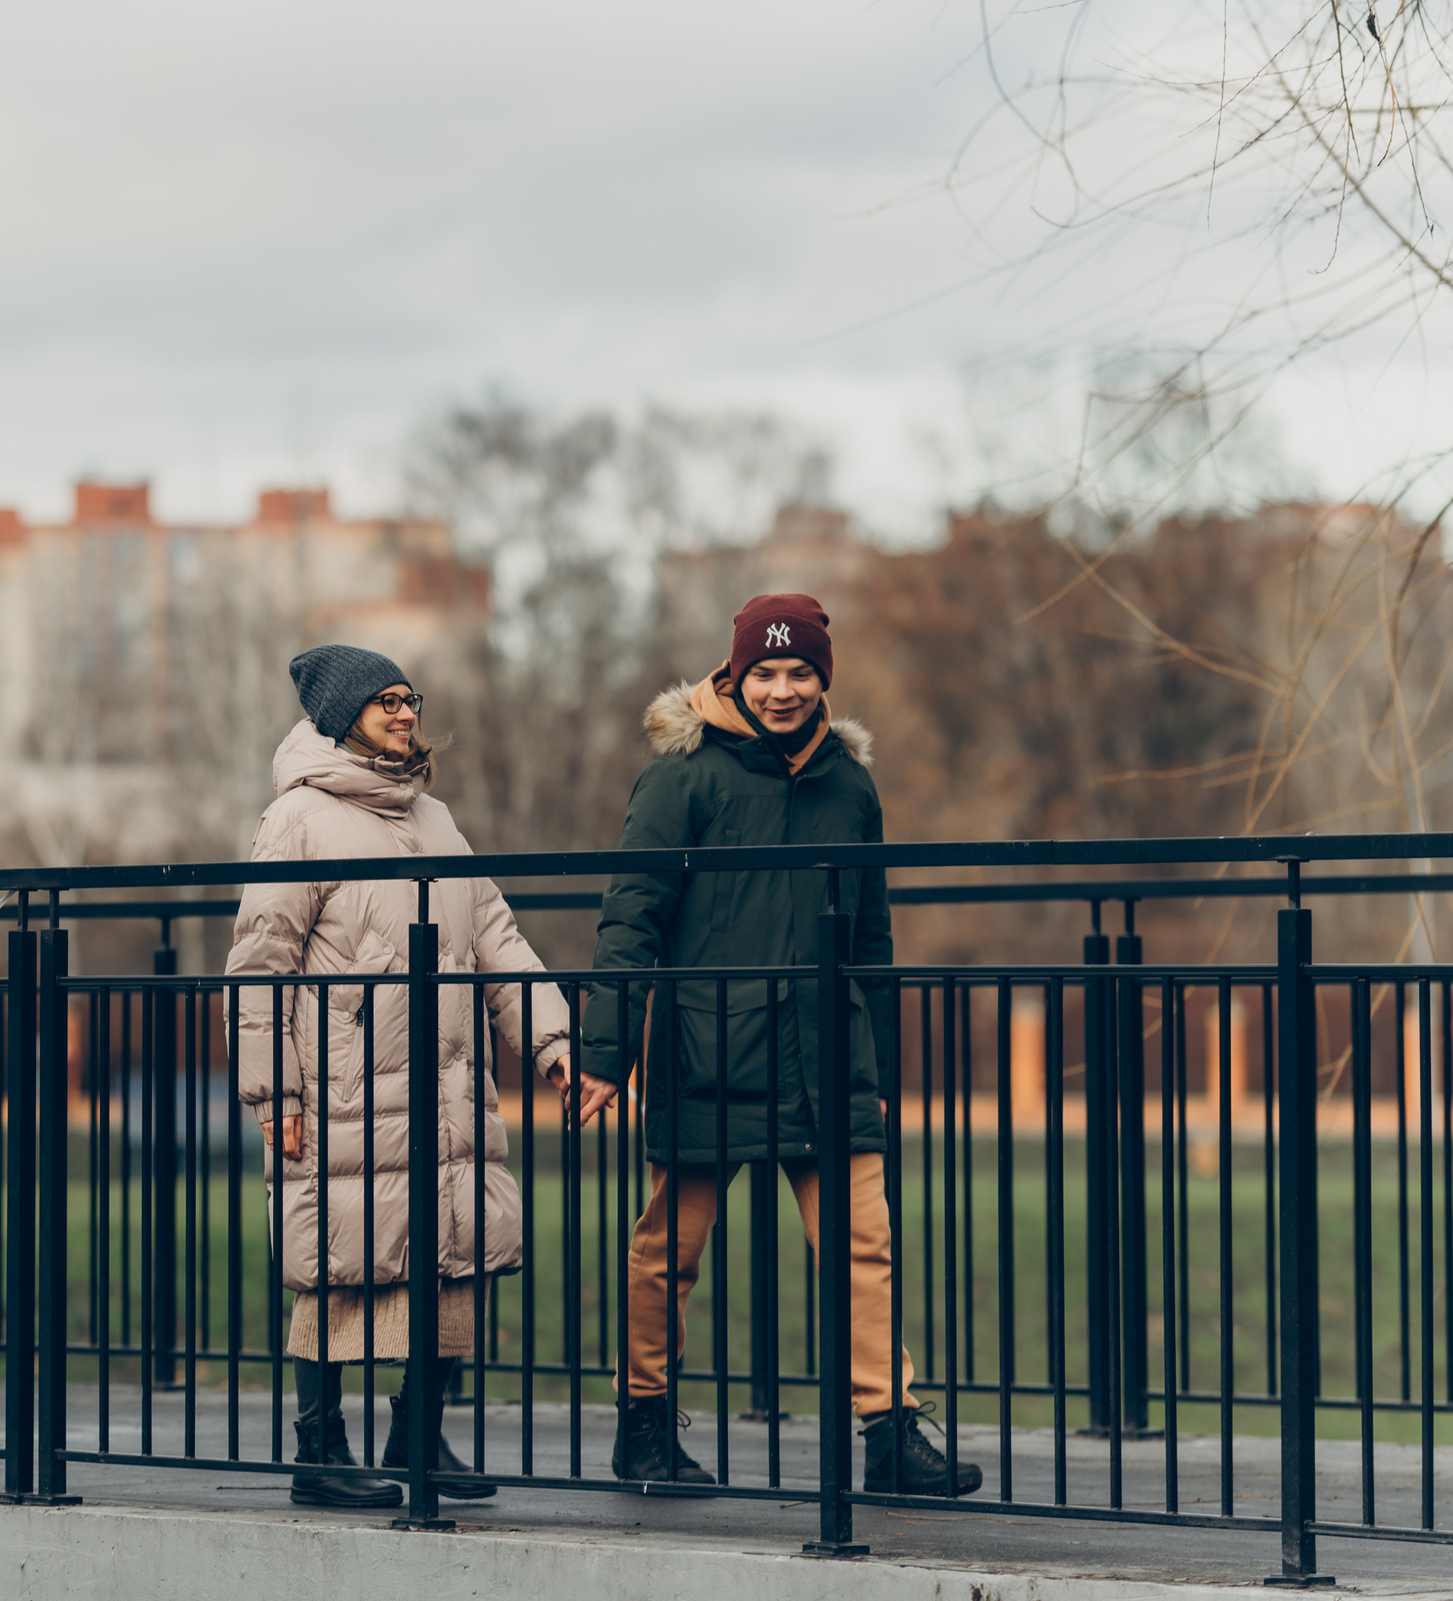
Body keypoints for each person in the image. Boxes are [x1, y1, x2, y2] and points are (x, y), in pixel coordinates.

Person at [568, 594, 981, 1496]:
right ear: (735, 674)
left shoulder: (850, 785)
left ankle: (889, 1435)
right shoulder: (681, 776)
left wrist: (879, 1064)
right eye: (766, 671)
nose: (784, 689)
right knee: (667, 1249)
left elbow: (871, 938)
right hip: (707, 1054)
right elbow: (631, 913)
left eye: (800, 672)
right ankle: (643, 1425)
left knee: (862, 1242)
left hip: (829, 1060)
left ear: (823, 677)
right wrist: (606, 1052)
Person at [228, 644, 575, 1510]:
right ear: (341, 714)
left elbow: (496, 936)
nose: (403, 711)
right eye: (383, 700)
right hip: (345, 1087)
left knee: (451, 1258)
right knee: (336, 1259)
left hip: (449, 1086)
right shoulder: (298, 820)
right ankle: (320, 1449)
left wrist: (552, 1039)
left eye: (408, 696)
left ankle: (419, 1436)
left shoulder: (438, 819)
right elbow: (258, 963)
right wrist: (275, 1092)